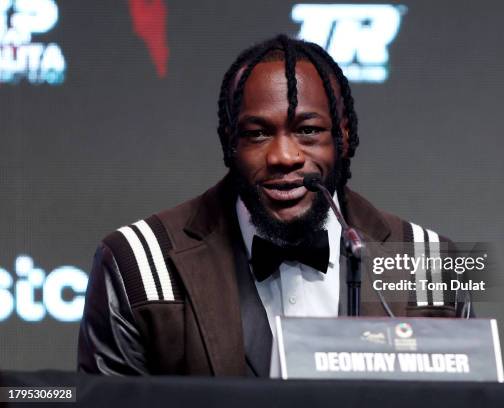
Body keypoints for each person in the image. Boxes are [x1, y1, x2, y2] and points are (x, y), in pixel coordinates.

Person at [77, 35, 471, 376]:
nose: (284, 155)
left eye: (308, 130)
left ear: (344, 138)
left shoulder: (432, 263)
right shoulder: (137, 263)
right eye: (258, 133)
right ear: (230, 142)